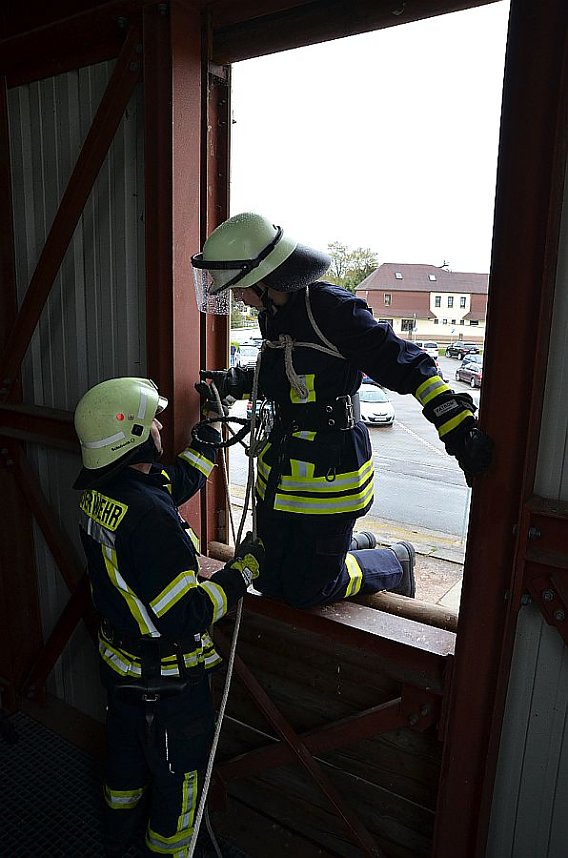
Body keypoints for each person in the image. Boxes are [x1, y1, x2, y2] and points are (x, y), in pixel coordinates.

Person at [191, 212, 493, 611]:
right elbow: (289, 373)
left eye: (242, 289)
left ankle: (394, 562)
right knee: (266, 578)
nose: (239, 298)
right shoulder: (273, 314)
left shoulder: (333, 310)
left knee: (308, 591)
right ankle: (358, 544)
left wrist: (457, 427)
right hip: (279, 473)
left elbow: (408, 363)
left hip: (328, 478)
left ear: (264, 279)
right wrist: (232, 383)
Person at [72, 376, 264, 858]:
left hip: (121, 671)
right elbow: (187, 617)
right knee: (177, 791)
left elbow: (168, 486)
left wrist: (206, 441)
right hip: (168, 689)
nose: (160, 424)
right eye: (151, 420)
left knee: (125, 770)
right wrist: (241, 573)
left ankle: (117, 842)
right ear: (134, 436)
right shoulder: (152, 521)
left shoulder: (104, 491)